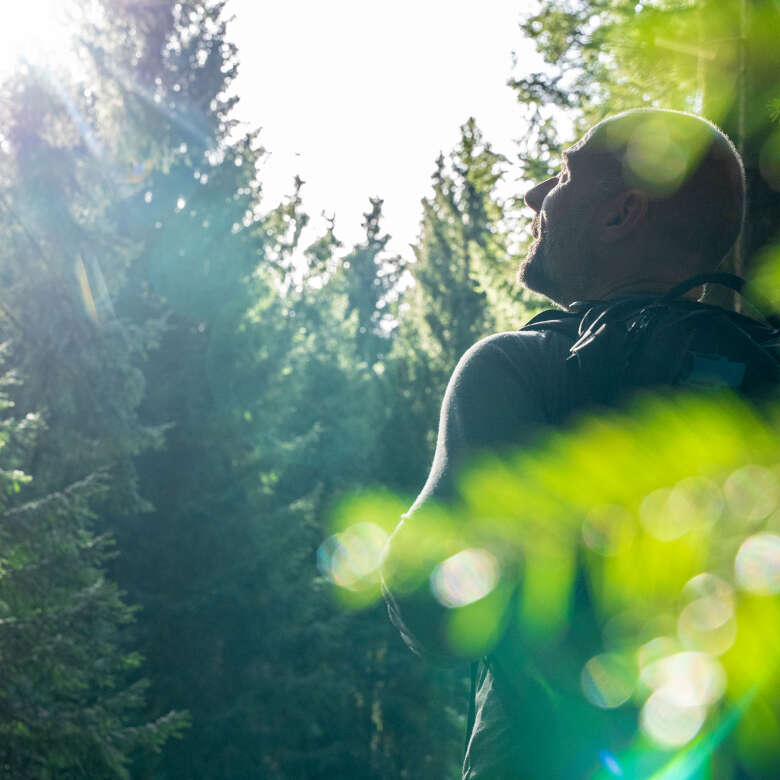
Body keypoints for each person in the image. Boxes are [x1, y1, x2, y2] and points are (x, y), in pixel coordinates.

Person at [382, 108, 747, 778]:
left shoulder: (520, 368)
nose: (534, 196)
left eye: (563, 174)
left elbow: (433, 608)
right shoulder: (762, 387)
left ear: (619, 215)